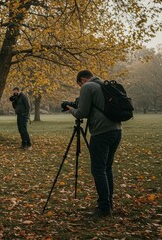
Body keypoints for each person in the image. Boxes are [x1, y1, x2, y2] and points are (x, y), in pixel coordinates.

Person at [66, 70, 122, 217]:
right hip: (116, 130)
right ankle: (108, 203)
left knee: (98, 170)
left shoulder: (88, 87)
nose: (80, 87)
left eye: (79, 84)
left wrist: (71, 109)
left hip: (101, 132)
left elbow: (82, 113)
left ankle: (104, 208)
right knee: (107, 168)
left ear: (83, 80)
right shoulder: (104, 84)